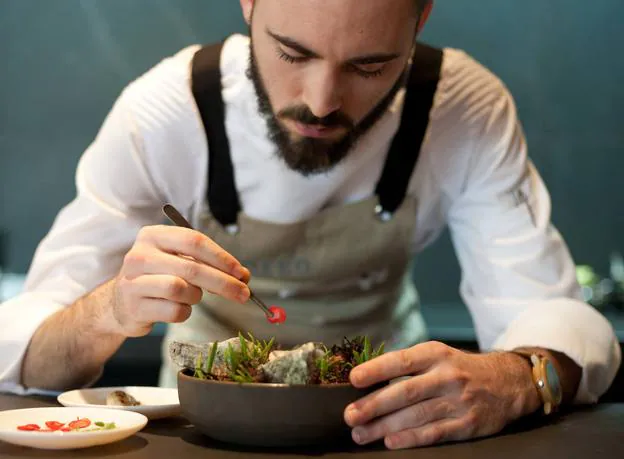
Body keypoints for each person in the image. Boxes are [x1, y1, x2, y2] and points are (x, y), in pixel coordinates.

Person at [0, 0, 620, 450]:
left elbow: (548, 316)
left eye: (370, 66)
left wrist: (517, 377)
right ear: (248, 5)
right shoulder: (166, 113)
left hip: (388, 428)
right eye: (292, 53)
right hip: (203, 432)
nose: (322, 101)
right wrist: (109, 308)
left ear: (421, 20)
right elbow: (24, 356)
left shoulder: (462, 109)